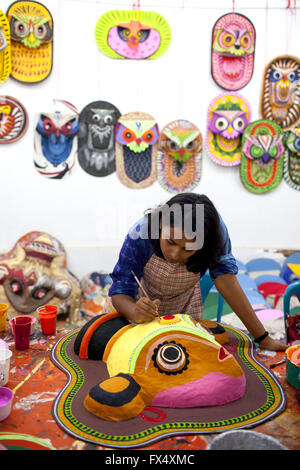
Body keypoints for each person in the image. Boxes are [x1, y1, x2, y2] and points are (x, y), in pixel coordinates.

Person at [107, 192, 286, 352]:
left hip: (182, 305)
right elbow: (121, 290)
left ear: (204, 245)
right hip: (136, 304)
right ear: (161, 225)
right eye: (170, 242)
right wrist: (134, 311)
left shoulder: (215, 235)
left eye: (188, 249)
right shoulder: (141, 233)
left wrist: (262, 338)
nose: (175, 254)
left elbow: (227, 281)